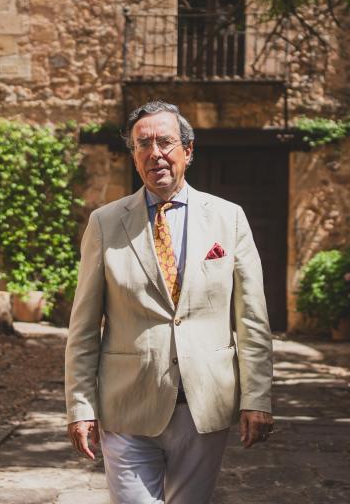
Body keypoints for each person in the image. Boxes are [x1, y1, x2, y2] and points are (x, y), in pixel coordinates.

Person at [65, 100, 274, 503]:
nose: (155, 153)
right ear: (133, 155)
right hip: (127, 405)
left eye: (165, 142)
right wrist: (80, 406)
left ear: (188, 151)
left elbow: (252, 319)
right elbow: (84, 326)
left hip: (203, 406)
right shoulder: (105, 223)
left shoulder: (228, 219)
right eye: (143, 144)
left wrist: (257, 398)